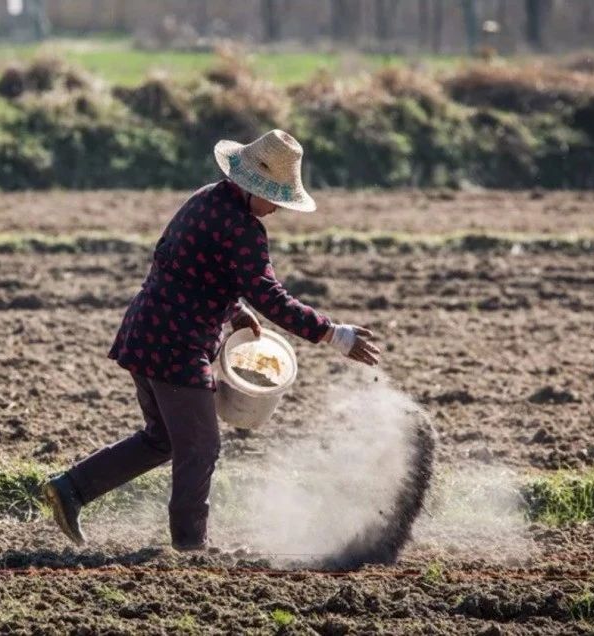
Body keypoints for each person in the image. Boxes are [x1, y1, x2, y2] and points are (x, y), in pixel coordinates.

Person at [43, 129, 380, 551]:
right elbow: (271, 296)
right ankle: (190, 546)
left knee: (163, 438)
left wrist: (234, 308)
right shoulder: (242, 228)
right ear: (255, 186)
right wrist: (333, 334)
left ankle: (71, 488)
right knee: (201, 447)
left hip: (147, 331)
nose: (276, 208)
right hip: (176, 345)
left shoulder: (207, 198)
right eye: (275, 197)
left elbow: (182, 260)